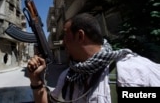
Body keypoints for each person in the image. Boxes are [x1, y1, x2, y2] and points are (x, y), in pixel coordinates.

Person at [27, 13, 160, 103]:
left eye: (65, 36)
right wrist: (35, 80)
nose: (63, 42)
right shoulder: (67, 77)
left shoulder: (133, 72)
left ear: (80, 36)